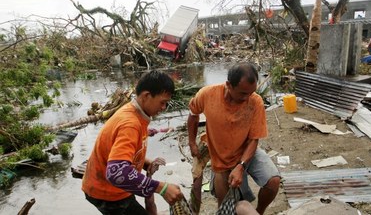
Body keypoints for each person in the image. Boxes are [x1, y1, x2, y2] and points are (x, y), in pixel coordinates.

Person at [82, 70, 184, 214]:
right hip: (106, 192)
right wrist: (162, 188)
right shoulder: (130, 123)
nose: (163, 108)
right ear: (146, 96)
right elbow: (117, 172)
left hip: (115, 187)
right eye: (162, 102)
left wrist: (144, 163)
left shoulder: (138, 114)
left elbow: (125, 153)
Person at [187, 63, 281, 215]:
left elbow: (254, 139)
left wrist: (241, 166)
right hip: (221, 160)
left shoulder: (255, 101)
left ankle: (260, 211)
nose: (247, 98)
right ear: (228, 85)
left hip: (247, 152)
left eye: (251, 93)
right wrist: (191, 142)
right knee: (226, 208)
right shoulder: (207, 95)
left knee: (273, 182)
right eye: (243, 93)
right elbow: (193, 114)